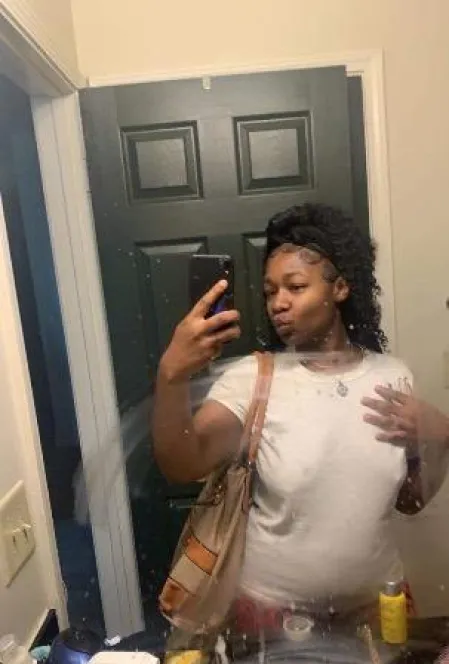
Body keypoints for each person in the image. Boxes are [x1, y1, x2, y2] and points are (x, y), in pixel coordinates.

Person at [153, 203, 448, 627]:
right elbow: (183, 463)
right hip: (273, 617)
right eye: (271, 291)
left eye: (295, 286)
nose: (279, 303)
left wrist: (441, 436)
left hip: (378, 612)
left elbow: (410, 501)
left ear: (340, 288)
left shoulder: (392, 376)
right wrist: (172, 374)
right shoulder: (253, 379)